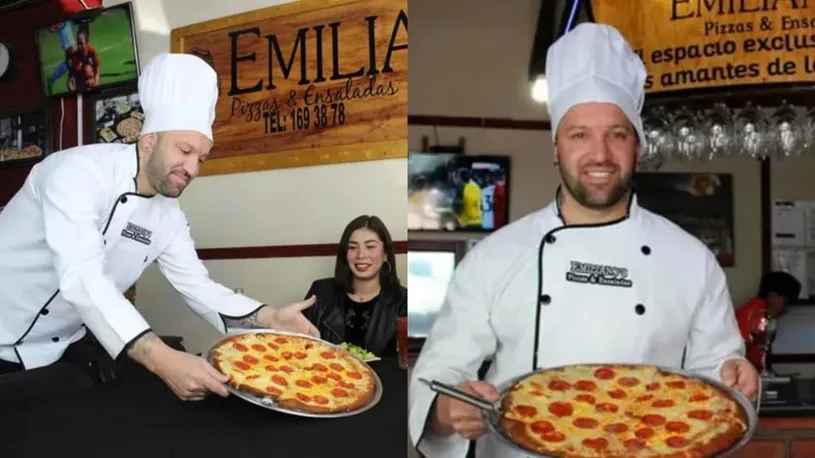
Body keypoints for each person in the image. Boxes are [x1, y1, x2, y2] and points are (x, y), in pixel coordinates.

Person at [408, 23, 758, 458]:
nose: (600, 154)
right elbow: (442, 368)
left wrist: (735, 375)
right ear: (556, 148)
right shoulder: (495, 257)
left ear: (638, 146)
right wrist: (445, 409)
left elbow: (717, 375)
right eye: (579, 135)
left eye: (617, 133)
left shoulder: (691, 259)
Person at [0, 53, 319, 401]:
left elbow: (197, 286)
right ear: (148, 141)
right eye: (184, 150)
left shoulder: (168, 215)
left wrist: (269, 318)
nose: (193, 168)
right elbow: (82, 277)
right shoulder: (76, 173)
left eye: (201, 159)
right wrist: (161, 359)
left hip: (57, 352)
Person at [302, 215, 406, 357]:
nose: (361, 255)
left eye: (370, 246)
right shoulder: (320, 291)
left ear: (385, 254)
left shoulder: (405, 302)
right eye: (352, 247)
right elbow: (301, 348)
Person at [736, 271, 801, 373]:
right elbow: (743, 350)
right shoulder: (757, 313)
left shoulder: (754, 308)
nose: (785, 309)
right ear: (771, 294)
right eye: (785, 302)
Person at [66, 28, 100, 92]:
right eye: (78, 43)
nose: (79, 46)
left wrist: (96, 85)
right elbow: (69, 81)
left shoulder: (92, 52)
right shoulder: (75, 57)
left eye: (81, 43)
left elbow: (97, 71)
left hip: (92, 87)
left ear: (86, 43)